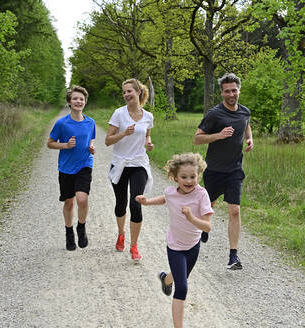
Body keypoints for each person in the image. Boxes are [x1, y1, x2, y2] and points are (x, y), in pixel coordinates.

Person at [135, 152, 212, 328]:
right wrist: (146, 202)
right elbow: (165, 199)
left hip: (193, 246)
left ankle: (165, 279)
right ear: (175, 177)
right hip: (175, 247)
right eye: (184, 177)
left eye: (193, 176)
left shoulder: (201, 195)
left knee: (179, 277)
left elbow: (207, 227)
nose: (189, 181)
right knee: (182, 287)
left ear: (198, 175)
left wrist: (191, 218)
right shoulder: (171, 192)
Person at [193, 73, 253, 270]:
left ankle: (233, 256)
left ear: (239, 90)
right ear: (222, 93)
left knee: (234, 210)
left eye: (234, 90)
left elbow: (246, 125)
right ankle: (203, 229)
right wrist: (218, 135)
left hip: (235, 169)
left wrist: (250, 139)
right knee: (209, 204)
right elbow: (197, 139)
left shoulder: (245, 112)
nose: (231, 94)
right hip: (214, 169)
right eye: (227, 91)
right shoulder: (214, 114)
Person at [105, 78, 154, 261]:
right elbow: (107, 140)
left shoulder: (148, 116)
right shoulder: (119, 114)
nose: (126, 95)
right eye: (124, 92)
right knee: (120, 203)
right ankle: (120, 234)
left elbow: (147, 134)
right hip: (120, 164)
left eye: (129, 91)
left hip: (139, 164)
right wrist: (124, 133)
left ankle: (134, 246)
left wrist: (148, 143)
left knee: (136, 204)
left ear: (138, 92)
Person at [47, 85, 96, 251]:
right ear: (69, 102)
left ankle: (81, 228)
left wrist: (91, 147)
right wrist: (66, 145)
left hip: (84, 165)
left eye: (81, 99)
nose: (78, 101)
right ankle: (69, 232)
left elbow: (91, 140)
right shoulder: (62, 124)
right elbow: (50, 143)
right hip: (66, 168)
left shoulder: (91, 122)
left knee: (82, 199)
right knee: (69, 203)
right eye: (75, 98)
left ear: (85, 102)